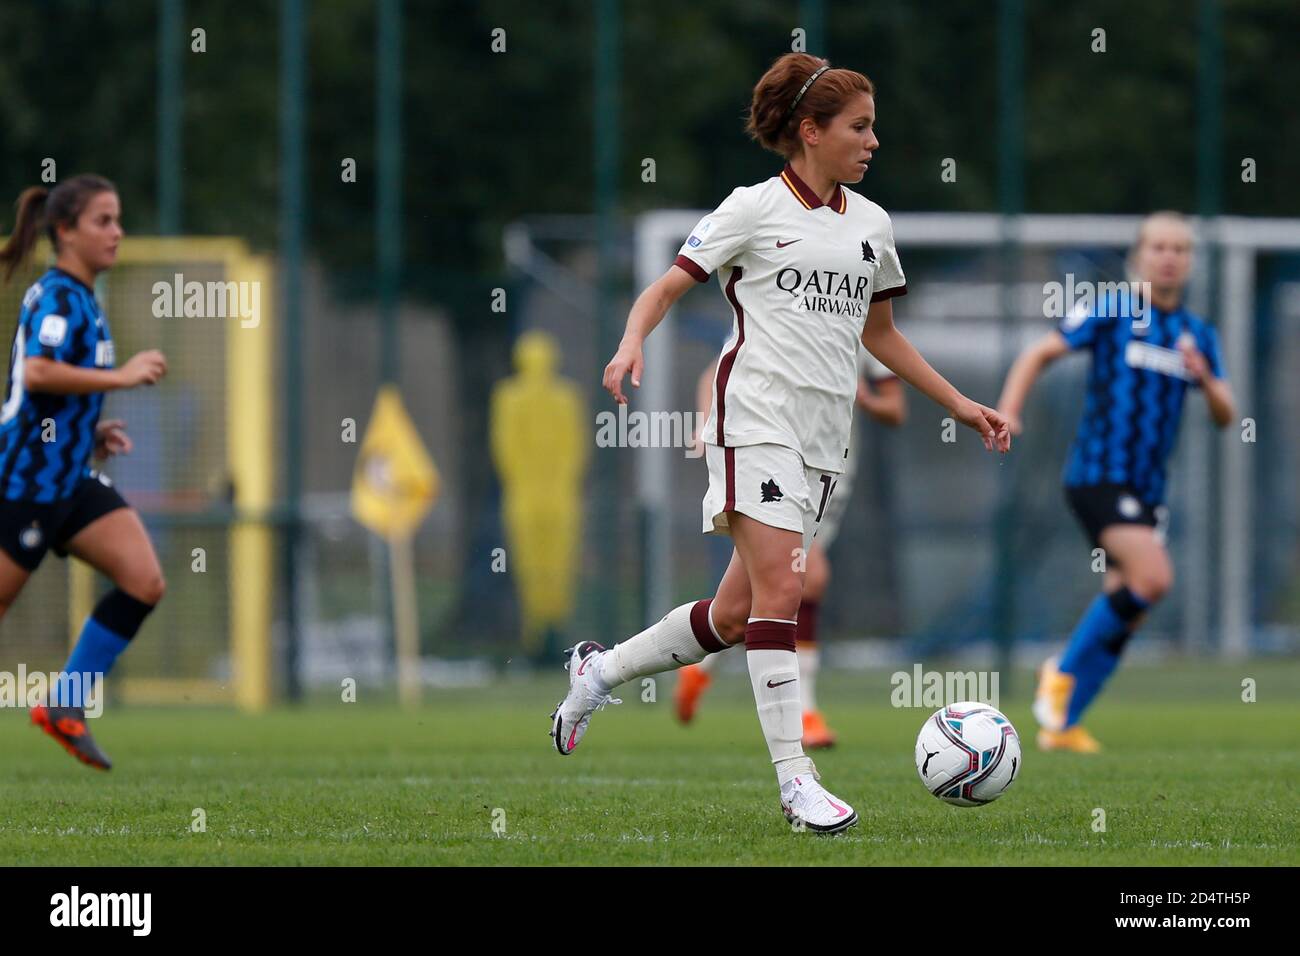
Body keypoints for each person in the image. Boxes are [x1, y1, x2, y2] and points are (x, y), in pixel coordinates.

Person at [551, 52, 1009, 833]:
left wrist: (962, 404)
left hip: (823, 442)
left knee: (733, 618)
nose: (872, 141)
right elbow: (666, 286)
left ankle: (600, 670)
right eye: (858, 127)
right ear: (810, 131)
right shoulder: (752, 208)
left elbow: (883, 337)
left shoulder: (872, 226)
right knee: (785, 593)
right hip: (752, 420)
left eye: (872, 127)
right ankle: (798, 785)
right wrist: (630, 344)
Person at [997, 211, 1235, 752]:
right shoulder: (1114, 310)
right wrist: (1010, 410)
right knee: (1153, 579)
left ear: (1191, 261)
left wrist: (1206, 379)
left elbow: (1226, 413)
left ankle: (1063, 724)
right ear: (1139, 255)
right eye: (1158, 246)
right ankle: (1059, 673)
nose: (1169, 256)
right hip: (1098, 476)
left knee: (1127, 603)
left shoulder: (1197, 335)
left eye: (1180, 248)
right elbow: (1039, 352)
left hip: (1149, 490)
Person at [0, 174, 169, 770]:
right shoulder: (56, 295)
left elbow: (46, 392)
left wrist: (89, 431)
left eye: (118, 219)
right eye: (103, 220)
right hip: (24, 483)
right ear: (65, 231)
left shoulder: (84, 300)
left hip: (69, 478)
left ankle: (65, 705)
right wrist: (121, 378)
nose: (117, 232)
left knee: (144, 580)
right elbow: (40, 374)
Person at [674, 348, 906, 748]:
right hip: (778, 462)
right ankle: (804, 712)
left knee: (752, 599)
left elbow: (896, 410)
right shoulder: (793, 301)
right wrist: (705, 422)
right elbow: (717, 369)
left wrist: (864, 399)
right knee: (808, 577)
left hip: (833, 476)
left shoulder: (866, 328)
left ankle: (700, 663)